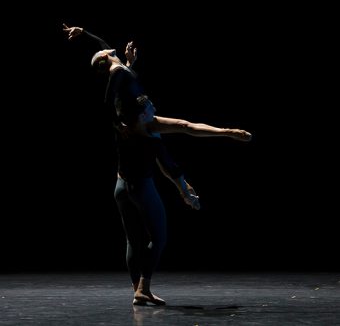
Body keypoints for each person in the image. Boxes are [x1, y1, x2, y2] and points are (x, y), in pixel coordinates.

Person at [62, 24, 252, 306]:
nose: (150, 105)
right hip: (140, 186)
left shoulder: (123, 80)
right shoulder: (144, 122)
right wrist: (226, 133)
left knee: (132, 240)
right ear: (105, 60)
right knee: (159, 237)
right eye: (147, 105)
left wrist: (85, 34)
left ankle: (138, 291)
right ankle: (143, 287)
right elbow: (184, 133)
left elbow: (103, 49)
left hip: (120, 186)